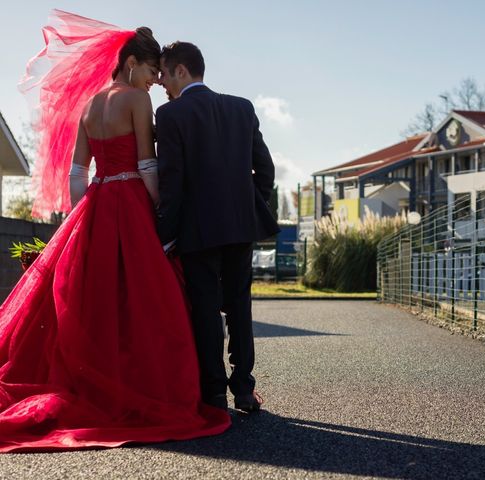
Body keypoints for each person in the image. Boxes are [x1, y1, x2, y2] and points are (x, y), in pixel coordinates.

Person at [0, 10, 230, 453]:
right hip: (129, 203)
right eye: (149, 71)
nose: (154, 80)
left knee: (94, 297)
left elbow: (75, 173)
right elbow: (146, 164)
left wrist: (79, 216)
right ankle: (141, 383)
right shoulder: (136, 100)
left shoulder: (89, 104)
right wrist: (161, 208)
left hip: (95, 205)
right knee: (144, 298)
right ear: (131, 64)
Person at [156, 42, 279, 413]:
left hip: (197, 231)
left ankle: (213, 395)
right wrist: (249, 205)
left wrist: (166, 234)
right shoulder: (242, 108)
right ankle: (243, 389)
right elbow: (266, 170)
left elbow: (171, 181)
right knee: (240, 305)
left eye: (164, 72)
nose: (161, 81)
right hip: (240, 226)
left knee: (205, 309)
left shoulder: (170, 114)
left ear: (181, 71)